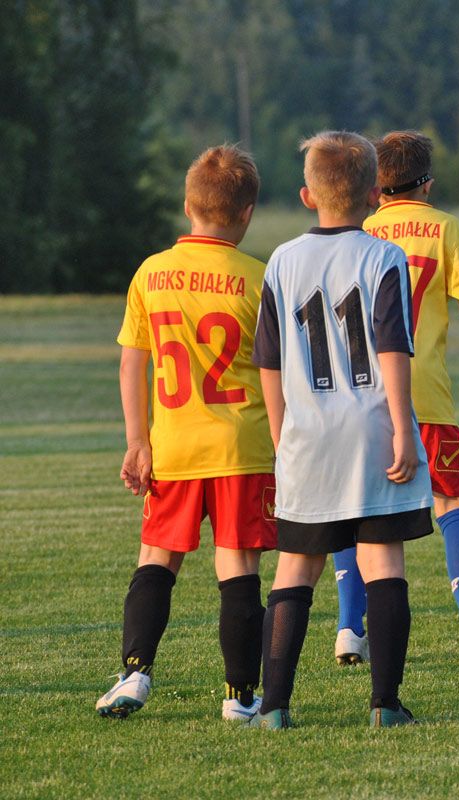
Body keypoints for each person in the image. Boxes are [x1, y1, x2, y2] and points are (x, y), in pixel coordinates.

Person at [249, 131, 434, 728]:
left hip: (308, 434)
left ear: (308, 195)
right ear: (375, 193)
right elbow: (392, 350)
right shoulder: (383, 257)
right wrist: (404, 428)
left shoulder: (281, 260)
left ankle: (274, 704)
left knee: (294, 568)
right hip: (372, 430)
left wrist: (282, 438)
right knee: (384, 560)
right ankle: (384, 702)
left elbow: (270, 363)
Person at [96, 145, 276, 722]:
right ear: (247, 212)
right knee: (238, 568)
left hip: (173, 447)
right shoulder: (259, 277)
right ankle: (241, 697)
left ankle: (133, 673)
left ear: (187, 205)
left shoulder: (152, 272)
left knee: (156, 558)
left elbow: (132, 361)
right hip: (242, 448)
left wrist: (137, 440)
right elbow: (277, 370)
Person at [329, 130, 459, 667]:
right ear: (427, 184)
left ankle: (349, 629)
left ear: (375, 184)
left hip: (360, 398)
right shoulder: (445, 229)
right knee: (453, 502)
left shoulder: (357, 229)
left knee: (351, 511)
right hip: (426, 394)